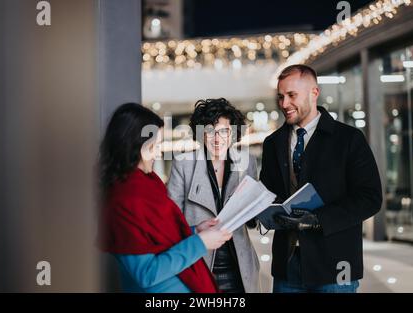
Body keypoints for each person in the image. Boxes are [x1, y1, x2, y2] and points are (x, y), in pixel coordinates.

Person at [258, 64, 382, 293]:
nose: (284, 104)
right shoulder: (272, 143)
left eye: (291, 95)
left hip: (336, 265)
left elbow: (370, 198)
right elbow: (268, 193)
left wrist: (318, 219)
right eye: (280, 97)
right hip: (287, 265)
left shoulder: (349, 139)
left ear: (314, 93)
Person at [98, 103, 232, 293]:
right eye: (154, 146)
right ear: (134, 146)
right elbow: (146, 273)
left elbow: (159, 238)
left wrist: (194, 231)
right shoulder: (125, 200)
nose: (159, 153)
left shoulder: (147, 185)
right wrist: (200, 243)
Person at [168, 98, 261, 293]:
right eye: (210, 131)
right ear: (200, 134)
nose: (217, 138)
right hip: (199, 264)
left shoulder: (247, 162)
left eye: (224, 131)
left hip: (240, 266)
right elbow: (171, 221)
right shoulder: (183, 164)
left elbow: (252, 218)